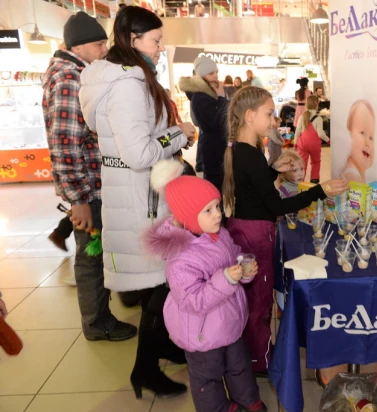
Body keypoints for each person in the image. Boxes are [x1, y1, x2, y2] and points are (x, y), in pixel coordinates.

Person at [79, 5, 196, 399]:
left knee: (157, 286)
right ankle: (145, 368)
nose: (161, 48)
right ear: (134, 40)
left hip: (138, 197)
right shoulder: (128, 84)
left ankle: (159, 347)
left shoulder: (126, 78)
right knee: (160, 285)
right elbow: (139, 153)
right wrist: (178, 134)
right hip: (139, 200)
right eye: (156, 40)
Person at [222, 86, 348, 374]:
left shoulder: (243, 150)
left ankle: (256, 351)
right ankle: (260, 360)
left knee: (254, 299)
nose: (274, 120)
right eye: (269, 114)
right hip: (256, 234)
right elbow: (276, 206)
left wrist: (274, 170)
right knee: (259, 301)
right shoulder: (250, 154)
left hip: (245, 228)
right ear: (250, 116)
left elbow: (254, 188)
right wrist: (321, 189)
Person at [42, 11, 137, 340]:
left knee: (100, 251)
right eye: (99, 45)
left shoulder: (75, 73)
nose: (103, 51)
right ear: (80, 47)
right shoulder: (71, 78)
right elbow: (65, 145)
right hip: (89, 190)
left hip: (95, 186)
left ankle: (109, 308)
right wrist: (79, 200)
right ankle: (98, 323)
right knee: (92, 256)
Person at [144, 159, 267, 412]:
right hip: (201, 333)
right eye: (208, 210)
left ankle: (247, 399)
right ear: (188, 217)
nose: (218, 214)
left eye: (217, 206)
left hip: (229, 322)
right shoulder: (180, 258)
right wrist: (228, 278)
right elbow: (193, 300)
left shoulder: (219, 233)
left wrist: (242, 269)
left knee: (239, 365)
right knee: (207, 377)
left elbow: (232, 255)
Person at [179, 55, 228, 194]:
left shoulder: (206, 95)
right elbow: (218, 121)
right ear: (202, 75)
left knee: (219, 187)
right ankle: (218, 215)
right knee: (215, 189)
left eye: (216, 72)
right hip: (213, 149)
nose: (215, 76)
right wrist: (221, 98)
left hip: (215, 147)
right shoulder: (201, 97)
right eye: (211, 73)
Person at [295, 95, 329, 183]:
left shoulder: (302, 117)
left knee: (302, 164)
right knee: (316, 162)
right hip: (314, 144)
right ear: (316, 103)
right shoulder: (318, 118)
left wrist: (295, 143)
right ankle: (314, 181)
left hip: (302, 144)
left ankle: (300, 181)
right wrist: (328, 140)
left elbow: (297, 132)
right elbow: (321, 134)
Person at [341, 100, 376, 183]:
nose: (367, 142)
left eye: (371, 137)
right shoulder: (352, 175)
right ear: (349, 134)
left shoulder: (358, 172)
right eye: (362, 133)